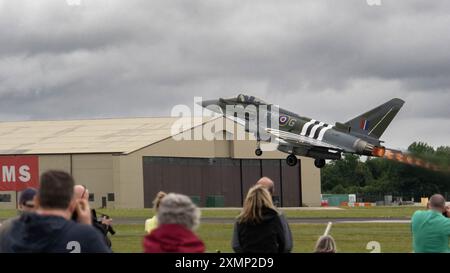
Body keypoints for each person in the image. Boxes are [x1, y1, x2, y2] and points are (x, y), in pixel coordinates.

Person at [0, 170, 111, 253]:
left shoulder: (8, 231)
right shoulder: (85, 235)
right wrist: (87, 227)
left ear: (37, 201)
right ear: (72, 204)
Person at [232, 176, 293, 252]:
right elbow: (287, 246)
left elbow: (236, 245)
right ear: (269, 195)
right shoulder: (277, 216)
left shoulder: (241, 218)